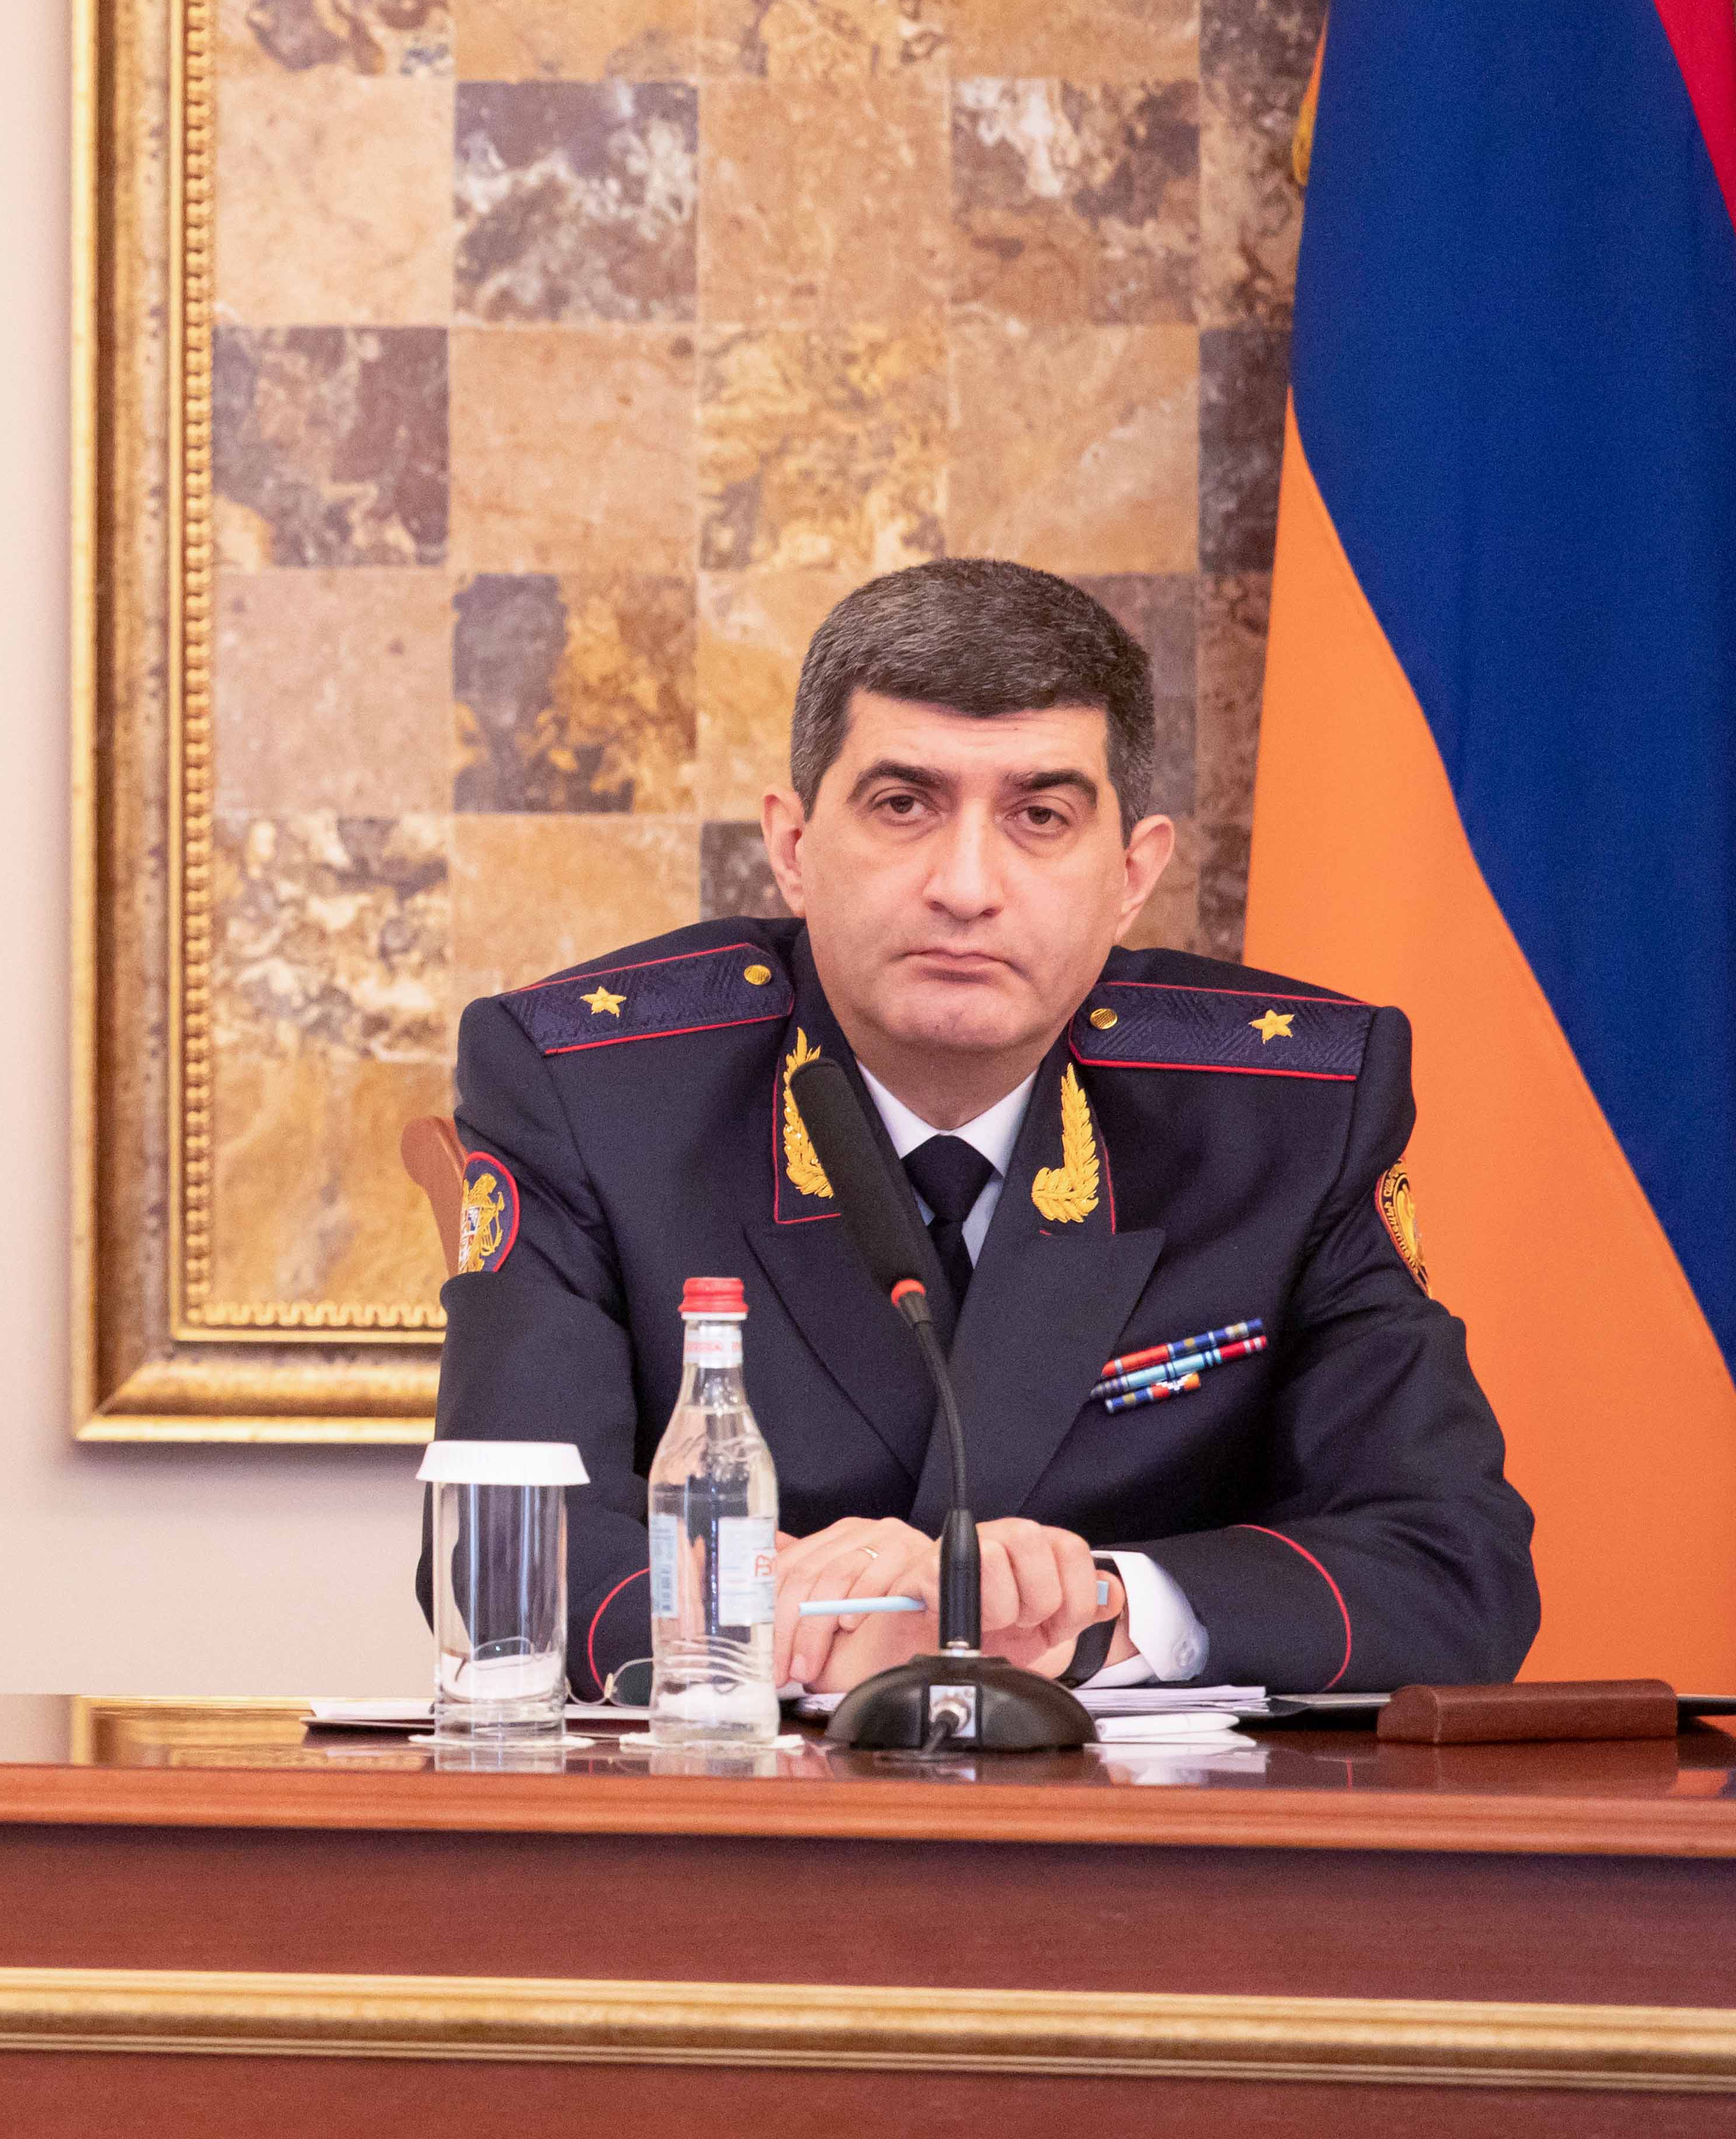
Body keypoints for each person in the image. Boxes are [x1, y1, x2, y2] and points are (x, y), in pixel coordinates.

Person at [435, 559, 1533, 1701]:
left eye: (1040, 817)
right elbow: (505, 1548)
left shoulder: (1292, 1111)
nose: (966, 886)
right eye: (903, 806)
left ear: (1133, 874)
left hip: (1140, 1812)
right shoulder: (590, 1088)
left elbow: (1455, 1565)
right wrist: (782, 1620)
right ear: (795, 847)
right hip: (737, 1800)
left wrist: (1101, 1611)